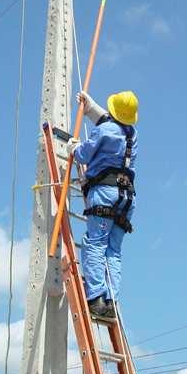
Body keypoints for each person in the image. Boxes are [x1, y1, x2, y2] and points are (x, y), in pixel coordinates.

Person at [66, 90, 138, 319]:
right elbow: (110, 122)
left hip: (105, 192)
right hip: (126, 197)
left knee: (95, 244)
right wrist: (91, 107)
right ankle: (111, 301)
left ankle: (96, 298)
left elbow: (84, 156)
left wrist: (73, 148)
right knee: (113, 251)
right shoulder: (132, 134)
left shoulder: (104, 130)